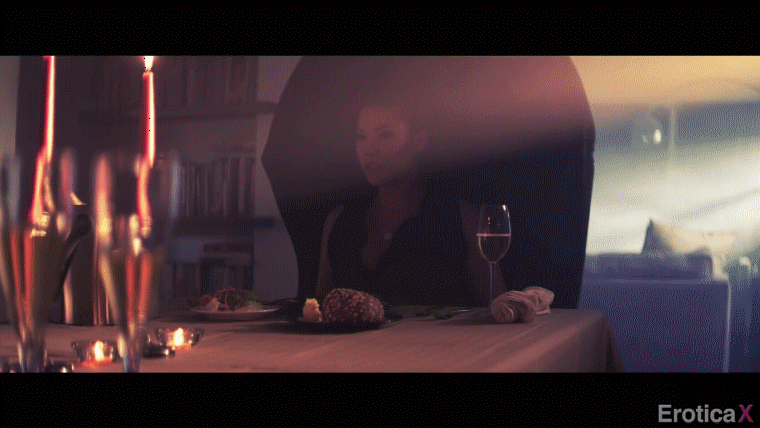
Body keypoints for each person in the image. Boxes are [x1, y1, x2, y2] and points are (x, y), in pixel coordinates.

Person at [315, 100, 506, 307]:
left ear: (418, 142)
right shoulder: (339, 222)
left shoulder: (462, 220)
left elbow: (499, 310)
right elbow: (319, 309)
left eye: (384, 135)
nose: (369, 149)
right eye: (361, 137)